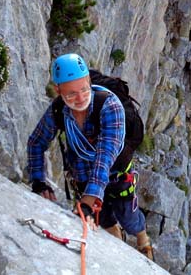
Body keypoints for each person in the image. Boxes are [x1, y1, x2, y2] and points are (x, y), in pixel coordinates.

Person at [27, 53, 153, 259]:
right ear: (58, 91)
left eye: (84, 89)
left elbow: (105, 155)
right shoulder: (59, 111)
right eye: (71, 94)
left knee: (128, 217)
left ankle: (143, 239)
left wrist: (89, 199)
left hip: (116, 172)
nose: (80, 98)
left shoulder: (110, 106)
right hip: (84, 176)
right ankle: (118, 252)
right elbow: (36, 142)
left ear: (89, 81)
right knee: (104, 220)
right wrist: (39, 182)